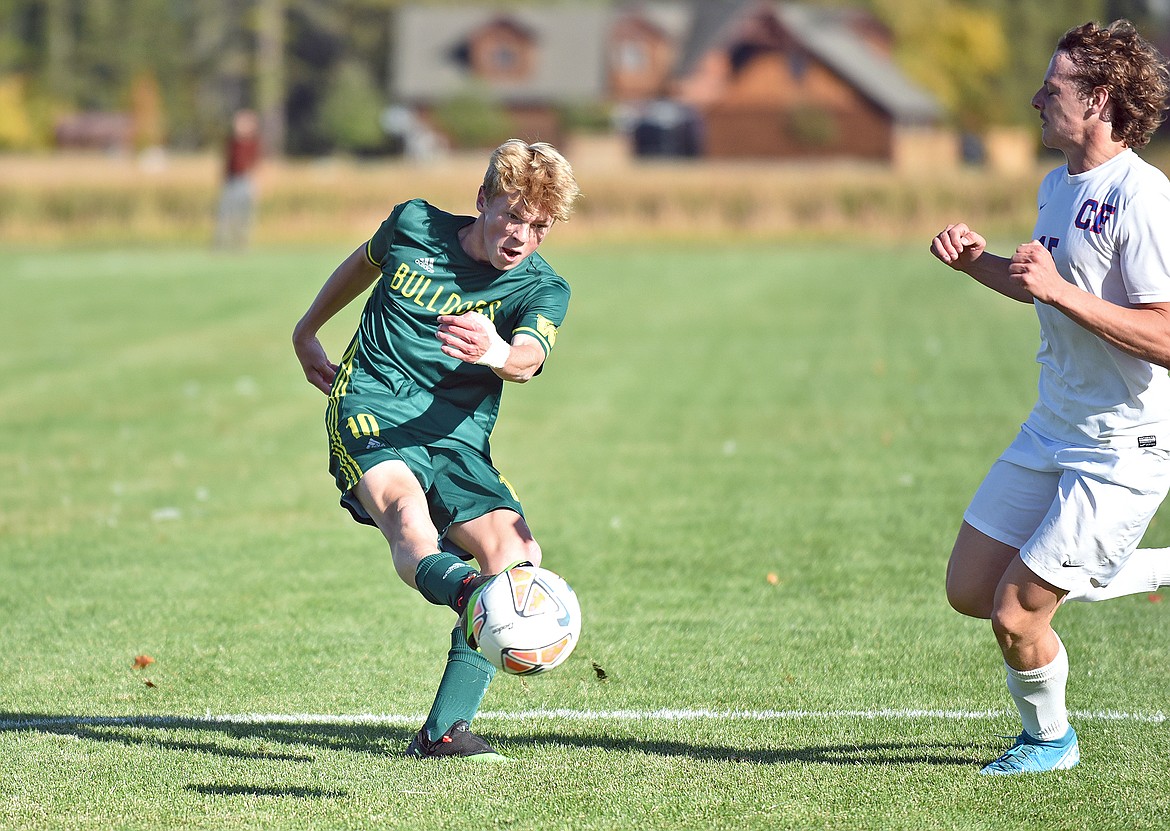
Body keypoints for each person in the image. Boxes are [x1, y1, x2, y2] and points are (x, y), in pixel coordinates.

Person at [930, 19, 1170, 776]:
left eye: (1053, 87)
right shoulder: (1056, 184)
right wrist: (980, 266)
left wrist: (1060, 290)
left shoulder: (1143, 197)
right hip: (1053, 426)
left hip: (1123, 446)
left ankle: (1049, 741)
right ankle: (1141, 565)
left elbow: (1165, 332)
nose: (1036, 99)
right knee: (970, 587)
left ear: (1098, 99)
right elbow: (1045, 287)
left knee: (1016, 613)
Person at [292, 139, 580, 759]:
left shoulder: (542, 290)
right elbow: (362, 264)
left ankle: (444, 732)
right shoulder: (414, 224)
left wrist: (497, 352)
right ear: (481, 201)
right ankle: (469, 597)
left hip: (456, 434)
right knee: (405, 512)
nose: (520, 236)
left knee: (516, 553)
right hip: (372, 406)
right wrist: (308, 327)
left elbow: (528, 358)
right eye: (510, 215)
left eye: (538, 226)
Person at [214, 109, 261, 249]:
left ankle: (240, 245)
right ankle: (221, 244)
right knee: (225, 213)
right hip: (231, 180)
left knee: (243, 216)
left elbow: (255, 165)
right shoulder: (232, 142)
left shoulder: (253, 143)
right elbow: (227, 162)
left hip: (245, 181)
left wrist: (256, 185)